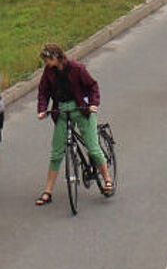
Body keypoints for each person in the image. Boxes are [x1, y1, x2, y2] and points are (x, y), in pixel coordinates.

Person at [35, 44, 113, 206]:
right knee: (56, 152)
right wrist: (42, 109)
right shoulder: (49, 72)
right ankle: (48, 191)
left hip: (82, 109)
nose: (46, 63)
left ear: (56, 57)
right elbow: (43, 91)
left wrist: (93, 104)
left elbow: (92, 86)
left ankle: (107, 180)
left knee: (92, 147)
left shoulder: (77, 68)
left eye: (47, 59)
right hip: (62, 111)